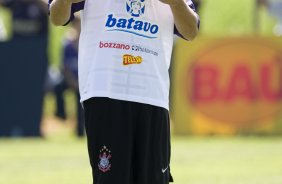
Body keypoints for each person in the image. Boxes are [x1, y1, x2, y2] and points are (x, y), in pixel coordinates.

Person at [49, 0, 199, 183]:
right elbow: (57, 17)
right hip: (105, 90)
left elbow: (191, 31)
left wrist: (176, 3)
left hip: (152, 95)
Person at [53, 16, 85, 137]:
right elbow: (64, 67)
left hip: (84, 80)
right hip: (71, 79)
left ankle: (80, 130)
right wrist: (73, 82)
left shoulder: (87, 43)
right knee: (57, 87)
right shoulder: (67, 44)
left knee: (80, 98)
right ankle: (61, 114)